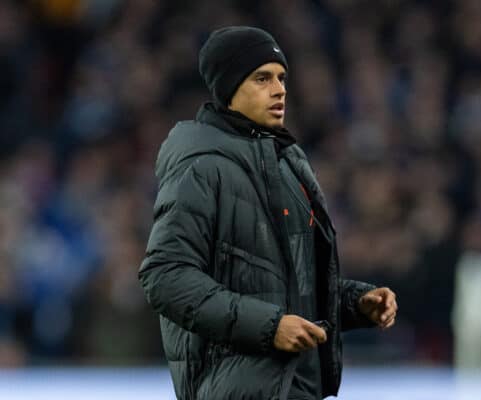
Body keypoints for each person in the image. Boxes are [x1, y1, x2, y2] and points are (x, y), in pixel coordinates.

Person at [139, 26, 398, 400]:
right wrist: (270, 326)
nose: (279, 90)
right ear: (229, 88)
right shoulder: (201, 167)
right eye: (262, 78)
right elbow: (164, 276)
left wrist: (355, 303)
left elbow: (291, 287)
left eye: (281, 78)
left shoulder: (287, 163)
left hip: (298, 389)